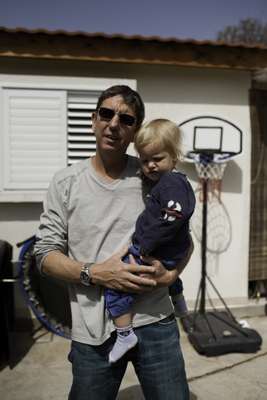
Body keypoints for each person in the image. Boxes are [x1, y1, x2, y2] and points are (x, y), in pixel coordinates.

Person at [34, 85, 192, 400]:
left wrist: (171, 276)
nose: (114, 124)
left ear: (135, 131)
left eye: (126, 119)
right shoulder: (66, 183)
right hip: (93, 331)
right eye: (106, 114)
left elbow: (184, 239)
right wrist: (95, 273)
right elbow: (45, 254)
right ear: (94, 119)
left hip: (155, 320)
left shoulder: (152, 176)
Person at [106, 118, 196, 363]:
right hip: (168, 250)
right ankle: (179, 302)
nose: (150, 166)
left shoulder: (172, 184)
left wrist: (146, 243)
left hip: (155, 247)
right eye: (145, 161)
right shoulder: (170, 181)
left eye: (157, 159)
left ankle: (125, 335)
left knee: (115, 286)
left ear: (174, 156)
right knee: (169, 276)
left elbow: (173, 216)